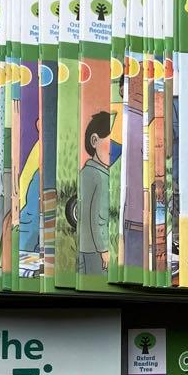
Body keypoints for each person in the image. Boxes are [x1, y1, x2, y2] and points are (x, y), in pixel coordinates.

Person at [78, 111, 114, 275]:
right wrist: (104, 249)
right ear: (94, 141)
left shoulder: (85, 172)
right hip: (96, 249)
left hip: (85, 246)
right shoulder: (99, 176)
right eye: (111, 142)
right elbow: (98, 217)